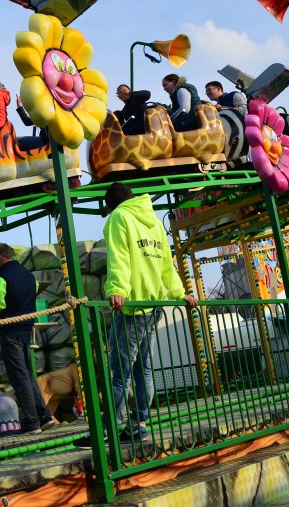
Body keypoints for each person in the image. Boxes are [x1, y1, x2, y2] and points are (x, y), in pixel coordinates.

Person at [76, 182, 198, 447]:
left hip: (131, 307)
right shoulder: (153, 220)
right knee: (144, 368)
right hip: (152, 305)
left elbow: (119, 257)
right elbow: (166, 264)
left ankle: (107, 429)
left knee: (120, 372)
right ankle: (138, 424)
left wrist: (116, 289)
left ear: (110, 206)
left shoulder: (119, 217)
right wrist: (180, 293)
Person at [0, 243, 56, 434]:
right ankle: (44, 417)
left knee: (19, 377)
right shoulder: (29, 276)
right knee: (29, 375)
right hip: (26, 330)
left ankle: (32, 423)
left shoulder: (1, 279)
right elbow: (30, 295)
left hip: (11, 333)